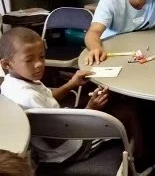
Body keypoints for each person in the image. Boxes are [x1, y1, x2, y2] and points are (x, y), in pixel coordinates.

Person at [0, 27, 143, 165]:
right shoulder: (27, 96)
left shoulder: (10, 84)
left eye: (42, 57)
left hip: (59, 130)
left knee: (109, 101)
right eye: (29, 60)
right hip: (72, 148)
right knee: (128, 113)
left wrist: (71, 84)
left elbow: (47, 99)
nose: (38, 64)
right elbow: (57, 139)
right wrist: (91, 109)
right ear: (7, 64)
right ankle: (141, 160)